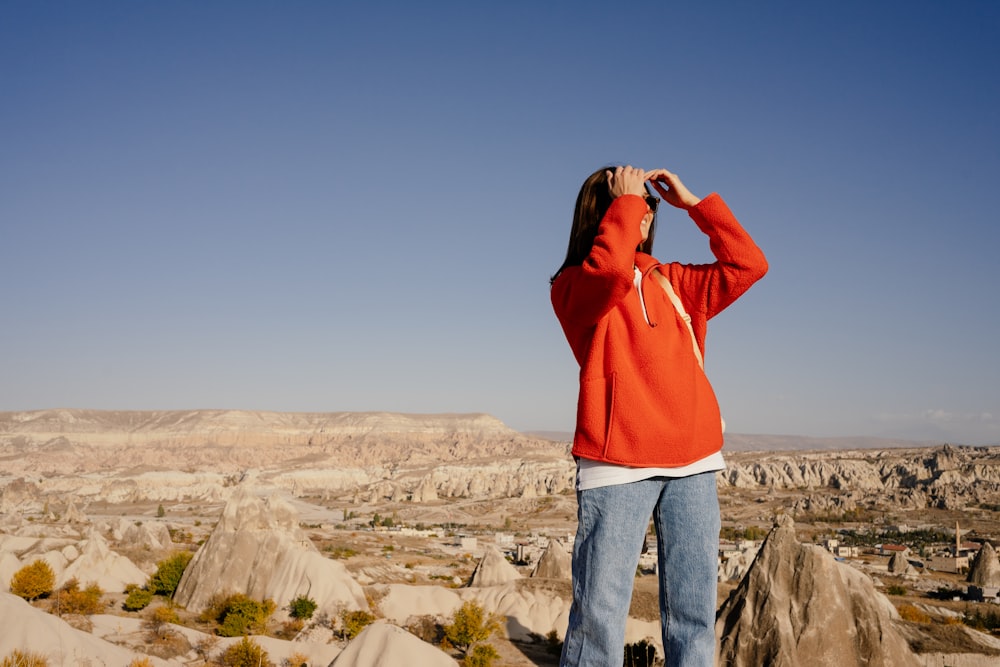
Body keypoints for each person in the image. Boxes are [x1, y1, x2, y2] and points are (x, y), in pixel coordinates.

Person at [550, 165, 768, 666]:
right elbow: (606, 273)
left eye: (645, 203)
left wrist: (694, 205)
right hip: (616, 464)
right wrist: (626, 200)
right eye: (628, 200)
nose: (643, 207)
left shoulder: (672, 282)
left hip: (693, 464)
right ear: (601, 214)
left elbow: (748, 264)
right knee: (598, 622)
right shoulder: (572, 286)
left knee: (693, 622)